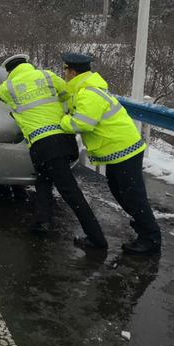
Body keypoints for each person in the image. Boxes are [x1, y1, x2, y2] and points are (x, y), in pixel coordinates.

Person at [0, 53, 108, 249]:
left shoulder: (9, 87)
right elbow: (68, 94)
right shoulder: (48, 76)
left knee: (69, 190)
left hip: (43, 145)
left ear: (9, 71)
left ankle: (96, 238)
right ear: (27, 64)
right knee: (42, 180)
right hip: (63, 139)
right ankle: (44, 222)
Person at [59, 52, 161, 255]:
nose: (64, 75)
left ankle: (150, 239)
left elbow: (82, 123)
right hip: (119, 150)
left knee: (133, 195)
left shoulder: (88, 93)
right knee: (119, 190)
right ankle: (143, 228)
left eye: (65, 71)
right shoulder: (83, 89)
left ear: (72, 72)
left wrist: (61, 121)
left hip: (123, 149)